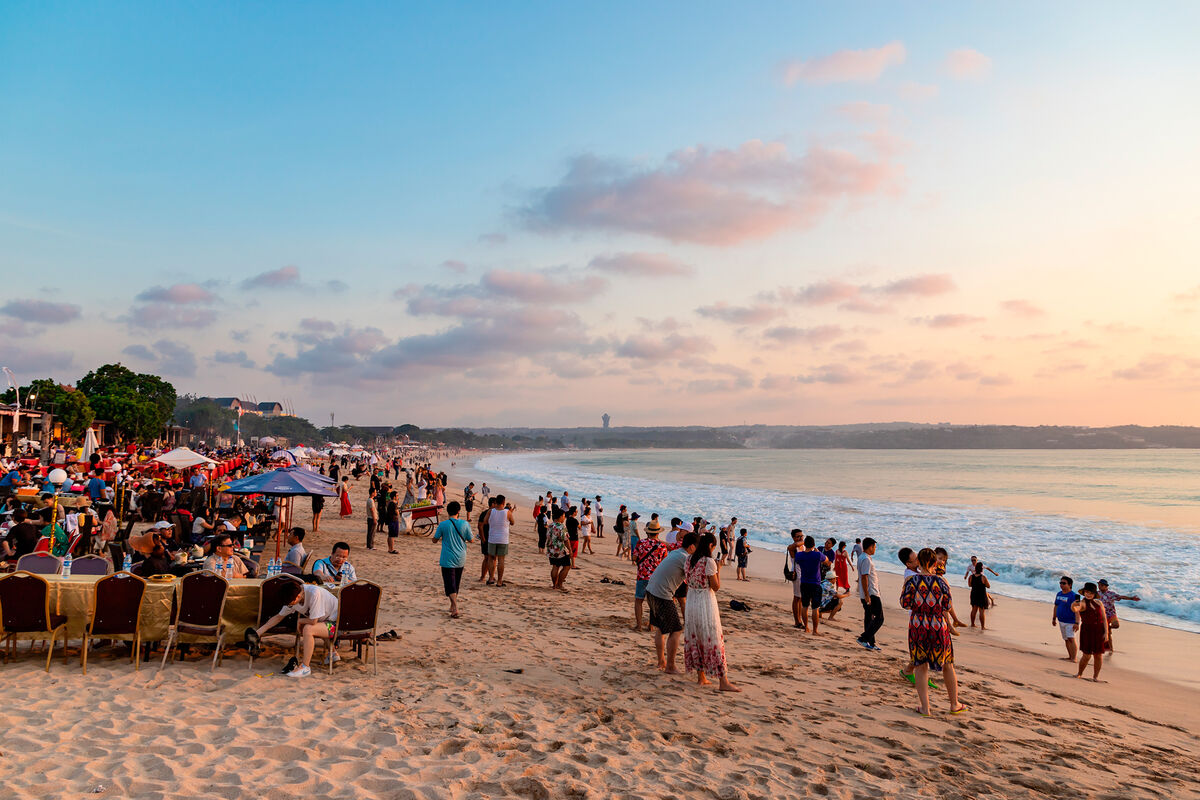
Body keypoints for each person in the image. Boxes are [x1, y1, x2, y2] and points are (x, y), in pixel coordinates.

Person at [900, 548, 966, 716]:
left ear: (919, 563)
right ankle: (954, 704)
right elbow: (947, 606)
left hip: (917, 625)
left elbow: (904, 603)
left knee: (921, 666)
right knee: (948, 665)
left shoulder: (911, 581)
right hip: (938, 626)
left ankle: (925, 708)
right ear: (935, 563)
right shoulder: (942, 582)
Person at [682, 533, 739, 692]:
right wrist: (718, 569)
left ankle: (701, 677)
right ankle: (723, 681)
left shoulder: (688, 560)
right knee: (712, 637)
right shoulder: (709, 562)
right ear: (710, 546)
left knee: (696, 636)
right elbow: (715, 587)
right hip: (705, 601)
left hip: (692, 600)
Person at [251, 579, 340, 678]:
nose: (290, 606)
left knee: (309, 629)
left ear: (297, 597)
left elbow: (314, 621)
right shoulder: (294, 596)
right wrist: (257, 633)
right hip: (327, 621)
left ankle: (305, 667)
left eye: (291, 604)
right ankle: (333, 654)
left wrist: (300, 621)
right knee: (311, 626)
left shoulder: (314, 593)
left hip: (338, 624)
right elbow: (278, 617)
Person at [645, 531, 698, 674]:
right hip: (662, 595)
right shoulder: (685, 558)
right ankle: (670, 666)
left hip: (651, 591)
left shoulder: (676, 553)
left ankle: (661, 661)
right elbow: (694, 578)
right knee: (676, 630)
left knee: (662, 629)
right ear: (692, 547)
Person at [432, 501, 473, 618]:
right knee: (456, 582)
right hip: (461, 557)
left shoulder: (443, 525)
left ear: (448, 511)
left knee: (450, 583)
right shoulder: (465, 524)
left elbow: (435, 539)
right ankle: (452, 605)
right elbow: (471, 540)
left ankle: (455, 607)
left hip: (447, 557)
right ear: (459, 511)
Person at [631, 520, 668, 632]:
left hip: (642, 576)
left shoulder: (641, 543)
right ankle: (651, 625)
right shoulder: (662, 546)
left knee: (639, 601)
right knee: (653, 603)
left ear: (648, 532)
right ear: (658, 533)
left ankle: (638, 625)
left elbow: (634, 558)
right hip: (655, 578)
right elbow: (665, 562)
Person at [790, 534, 828, 634]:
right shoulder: (817, 555)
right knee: (815, 608)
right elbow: (827, 561)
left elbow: (796, 558)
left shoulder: (799, 555)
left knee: (805, 606)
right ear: (814, 545)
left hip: (804, 582)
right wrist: (818, 551)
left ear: (805, 544)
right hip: (815, 583)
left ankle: (806, 627)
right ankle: (815, 630)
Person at [1073, 582, 1111, 681]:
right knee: (1086, 655)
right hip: (1087, 631)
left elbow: (1104, 618)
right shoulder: (1083, 603)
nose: (1088, 594)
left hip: (1099, 630)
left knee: (1098, 655)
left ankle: (1095, 677)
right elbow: (1075, 609)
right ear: (1084, 592)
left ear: (1094, 594)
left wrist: (1106, 632)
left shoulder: (1099, 603)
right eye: (1086, 592)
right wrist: (1073, 605)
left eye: (1090, 593)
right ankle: (1079, 673)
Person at [1096, 579, 1140, 652]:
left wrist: (1131, 598)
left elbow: (1121, 597)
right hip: (1102, 615)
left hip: (1111, 614)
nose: (1099, 587)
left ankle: (1108, 627)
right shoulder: (1097, 594)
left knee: (1116, 625)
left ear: (1106, 586)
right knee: (1108, 634)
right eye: (1099, 585)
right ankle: (1111, 649)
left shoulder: (1111, 594)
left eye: (1101, 585)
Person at [857, 537, 883, 651]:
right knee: (879, 618)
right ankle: (864, 638)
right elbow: (864, 577)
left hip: (868, 592)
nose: (875, 549)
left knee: (869, 617)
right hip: (871, 593)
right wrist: (867, 594)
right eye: (874, 547)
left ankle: (871, 643)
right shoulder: (866, 559)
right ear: (870, 547)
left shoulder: (863, 557)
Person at [486, 495, 515, 587]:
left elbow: (485, 521)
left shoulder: (491, 511)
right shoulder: (507, 512)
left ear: (496, 502)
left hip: (492, 538)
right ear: (503, 502)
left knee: (491, 558)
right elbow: (513, 522)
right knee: (501, 560)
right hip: (503, 539)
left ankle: (491, 578)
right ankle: (499, 581)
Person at [1053, 576, 1079, 662]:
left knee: (1071, 638)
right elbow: (1056, 606)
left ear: (1070, 584)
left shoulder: (1075, 596)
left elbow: (1078, 610)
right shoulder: (1059, 594)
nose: (1061, 585)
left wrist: (1077, 622)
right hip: (1061, 620)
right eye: (1060, 583)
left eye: (1064, 583)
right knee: (1066, 639)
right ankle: (1070, 656)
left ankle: (1074, 658)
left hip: (1071, 621)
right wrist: (1054, 618)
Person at [546, 507, 572, 592]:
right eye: (563, 516)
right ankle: (560, 584)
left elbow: (548, 536)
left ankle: (554, 585)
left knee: (555, 567)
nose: (564, 518)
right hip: (560, 550)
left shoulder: (550, 525)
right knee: (567, 566)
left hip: (551, 549)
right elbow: (566, 539)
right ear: (560, 517)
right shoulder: (561, 526)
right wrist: (570, 550)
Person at [968, 563, 991, 629]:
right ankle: (982, 627)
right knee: (981, 611)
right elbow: (988, 586)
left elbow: (969, 585)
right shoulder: (983, 577)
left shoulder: (971, 576)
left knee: (974, 609)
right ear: (981, 569)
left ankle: (972, 624)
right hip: (981, 595)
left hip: (973, 594)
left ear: (975, 569)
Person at [477, 497, 493, 584]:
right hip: (487, 538)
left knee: (489, 558)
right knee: (488, 558)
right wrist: (483, 538)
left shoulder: (490, 513)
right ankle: (484, 576)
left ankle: (489, 576)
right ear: (493, 504)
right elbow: (480, 526)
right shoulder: (486, 513)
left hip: (489, 538)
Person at [385, 489, 400, 554]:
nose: (397, 497)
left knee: (390, 535)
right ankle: (391, 549)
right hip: (393, 520)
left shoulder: (390, 503)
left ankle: (390, 548)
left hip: (391, 519)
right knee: (392, 535)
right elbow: (397, 513)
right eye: (397, 496)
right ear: (394, 497)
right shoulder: (393, 504)